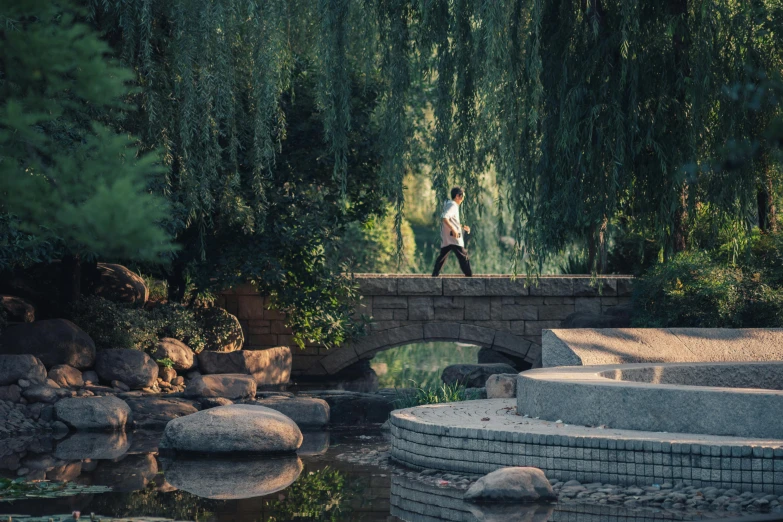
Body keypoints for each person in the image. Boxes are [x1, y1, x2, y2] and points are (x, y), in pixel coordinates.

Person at [432, 186, 473, 277]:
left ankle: (434, 276)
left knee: (442, 256)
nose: (462, 200)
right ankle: (470, 277)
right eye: (462, 197)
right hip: (453, 237)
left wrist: (461, 226)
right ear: (458, 196)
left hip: (448, 237)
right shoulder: (453, 205)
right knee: (463, 256)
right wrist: (454, 230)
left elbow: (451, 220)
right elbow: (444, 217)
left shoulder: (448, 204)